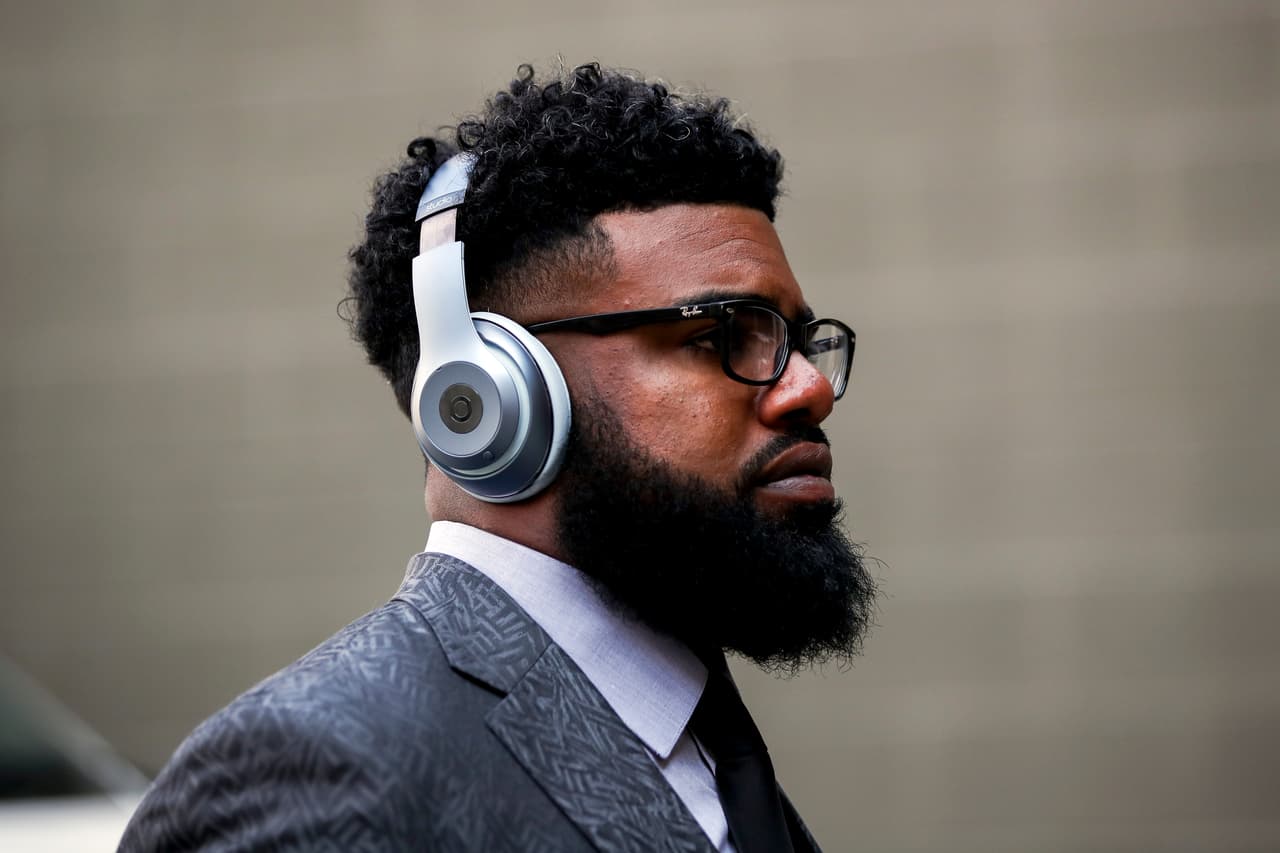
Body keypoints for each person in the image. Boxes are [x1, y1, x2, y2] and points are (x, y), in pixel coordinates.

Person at [119, 62, 878, 853]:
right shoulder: (314, 770)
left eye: (797, 339)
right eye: (722, 333)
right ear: (486, 393)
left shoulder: (707, 745)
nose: (808, 388)